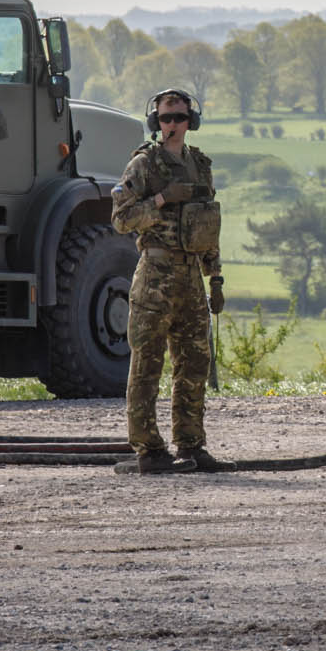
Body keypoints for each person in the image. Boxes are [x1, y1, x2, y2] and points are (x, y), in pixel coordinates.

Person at [110, 89, 226, 475]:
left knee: (194, 364)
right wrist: (161, 199)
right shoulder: (144, 165)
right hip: (156, 277)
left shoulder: (199, 165)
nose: (172, 125)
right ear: (155, 122)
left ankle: (191, 445)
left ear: (190, 120)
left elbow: (208, 224)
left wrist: (216, 277)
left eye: (178, 117)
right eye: (165, 118)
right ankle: (148, 450)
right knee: (147, 364)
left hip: (191, 276)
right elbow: (121, 219)